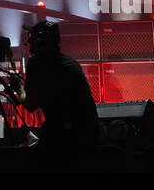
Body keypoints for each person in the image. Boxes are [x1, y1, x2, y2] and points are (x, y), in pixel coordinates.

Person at [21, 20, 98, 148]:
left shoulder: (36, 63)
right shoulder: (71, 62)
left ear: (40, 40)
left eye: (32, 37)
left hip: (63, 136)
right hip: (88, 135)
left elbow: (30, 105)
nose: (30, 41)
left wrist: (20, 89)